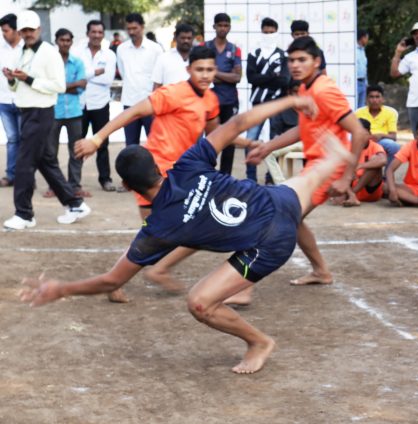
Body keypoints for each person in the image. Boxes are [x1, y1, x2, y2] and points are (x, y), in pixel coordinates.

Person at [19, 95, 354, 375]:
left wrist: (61, 288)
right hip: (279, 200)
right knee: (305, 182)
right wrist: (291, 100)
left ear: (126, 186)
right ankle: (328, 163)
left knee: (200, 303)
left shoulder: (159, 228)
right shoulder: (188, 163)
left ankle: (259, 341)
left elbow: (111, 281)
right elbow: (238, 124)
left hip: (268, 245)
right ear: (159, 167)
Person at [75, 46, 226, 302]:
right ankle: (135, 275)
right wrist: (98, 138)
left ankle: (148, 271)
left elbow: (215, 135)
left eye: (210, 69)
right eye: (199, 69)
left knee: (188, 228)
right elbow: (133, 111)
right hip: (153, 174)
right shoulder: (172, 93)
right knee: (158, 231)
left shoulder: (210, 100)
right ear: (188, 69)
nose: (204, 74)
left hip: (182, 175)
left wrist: (251, 144)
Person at [244, 36, 367, 293]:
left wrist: (346, 177)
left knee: (280, 215)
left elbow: (359, 132)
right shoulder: (305, 89)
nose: (295, 65)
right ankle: (321, 271)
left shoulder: (324, 90)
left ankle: (243, 287)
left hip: (327, 168)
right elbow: (303, 129)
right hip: (315, 166)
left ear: (317, 62)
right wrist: (267, 147)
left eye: (302, 60)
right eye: (291, 60)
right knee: (292, 218)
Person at [2, 10, 90, 230]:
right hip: (26, 111)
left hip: (41, 113)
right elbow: (16, 85)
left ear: (39, 29)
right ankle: (75, 203)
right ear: (20, 32)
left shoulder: (49, 53)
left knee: (24, 164)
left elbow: (59, 86)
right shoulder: (22, 52)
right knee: (45, 162)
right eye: (24, 30)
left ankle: (24, 214)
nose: (28, 34)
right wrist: (12, 78)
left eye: (31, 30)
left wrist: (28, 79)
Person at [74, 19, 118, 192]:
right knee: (77, 144)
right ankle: (74, 181)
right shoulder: (77, 52)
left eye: (100, 32)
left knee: (102, 143)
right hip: (80, 104)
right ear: (88, 33)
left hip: (100, 104)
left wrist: (85, 78)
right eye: (94, 32)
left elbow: (107, 80)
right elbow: (74, 77)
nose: (97, 35)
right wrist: (94, 73)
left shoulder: (109, 55)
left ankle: (105, 179)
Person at [45, 28, 88, 199]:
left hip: (74, 113)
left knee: (76, 151)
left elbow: (82, 84)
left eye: (68, 40)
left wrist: (59, 86)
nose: (65, 43)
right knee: (50, 152)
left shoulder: (77, 62)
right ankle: (53, 186)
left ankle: (75, 185)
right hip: (53, 112)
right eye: (62, 40)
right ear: (56, 41)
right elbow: (47, 86)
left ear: (71, 42)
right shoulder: (50, 62)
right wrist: (70, 85)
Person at [245, 17, 289, 182]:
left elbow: (284, 80)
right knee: (251, 139)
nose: (269, 34)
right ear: (261, 32)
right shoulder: (253, 53)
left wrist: (263, 78)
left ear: (276, 33)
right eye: (266, 31)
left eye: (272, 32)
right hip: (258, 103)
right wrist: (272, 76)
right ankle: (250, 177)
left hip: (276, 103)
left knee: (275, 140)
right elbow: (251, 78)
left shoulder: (282, 55)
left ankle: (271, 176)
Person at [204, 13, 242, 175]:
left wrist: (215, 72)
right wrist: (225, 75)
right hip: (208, 101)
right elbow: (203, 74)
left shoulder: (234, 49)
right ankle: (208, 173)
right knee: (209, 139)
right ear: (214, 27)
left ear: (230, 27)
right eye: (220, 25)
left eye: (226, 25)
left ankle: (225, 176)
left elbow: (237, 77)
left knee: (229, 139)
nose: (223, 28)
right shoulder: (204, 47)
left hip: (229, 100)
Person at [117, 13, 163, 145]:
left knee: (155, 144)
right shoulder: (121, 49)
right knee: (131, 145)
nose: (131, 32)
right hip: (129, 103)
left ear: (142, 27)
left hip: (150, 103)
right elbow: (123, 72)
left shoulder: (155, 49)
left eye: (135, 28)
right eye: (129, 29)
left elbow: (159, 77)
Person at [341, 118, 386, 206]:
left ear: (369, 134)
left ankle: (352, 194)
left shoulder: (375, 146)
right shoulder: (348, 146)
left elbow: (383, 160)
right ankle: (351, 195)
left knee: (375, 160)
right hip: (349, 186)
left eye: (363, 134)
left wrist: (360, 166)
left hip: (370, 190)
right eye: (357, 134)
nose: (360, 137)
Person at [354, 84, 400, 169]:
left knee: (393, 146)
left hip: (381, 141)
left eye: (377, 97)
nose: (374, 100)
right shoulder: (359, 113)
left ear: (382, 99)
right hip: (364, 142)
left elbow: (393, 136)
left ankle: (386, 177)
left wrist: (381, 135)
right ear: (367, 99)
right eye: (371, 97)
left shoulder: (390, 113)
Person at [0, 13, 22, 188]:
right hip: (5, 101)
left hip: (24, 101)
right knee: (12, 139)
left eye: (6, 31)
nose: (3, 34)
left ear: (16, 30)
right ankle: (11, 175)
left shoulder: (27, 49)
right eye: (2, 31)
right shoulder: (0, 49)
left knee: (25, 139)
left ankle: (26, 176)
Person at [152, 23, 195, 89]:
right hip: (169, 98)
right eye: (183, 38)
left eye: (189, 38)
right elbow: (156, 86)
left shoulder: (199, 58)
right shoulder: (163, 58)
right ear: (175, 37)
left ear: (193, 39)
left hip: (194, 99)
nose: (186, 41)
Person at [356, 29, 369, 108]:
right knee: (354, 105)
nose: (367, 40)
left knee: (361, 107)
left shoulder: (363, 50)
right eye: (367, 38)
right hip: (355, 82)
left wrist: (366, 82)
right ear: (362, 38)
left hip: (363, 82)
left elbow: (364, 67)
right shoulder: (353, 50)